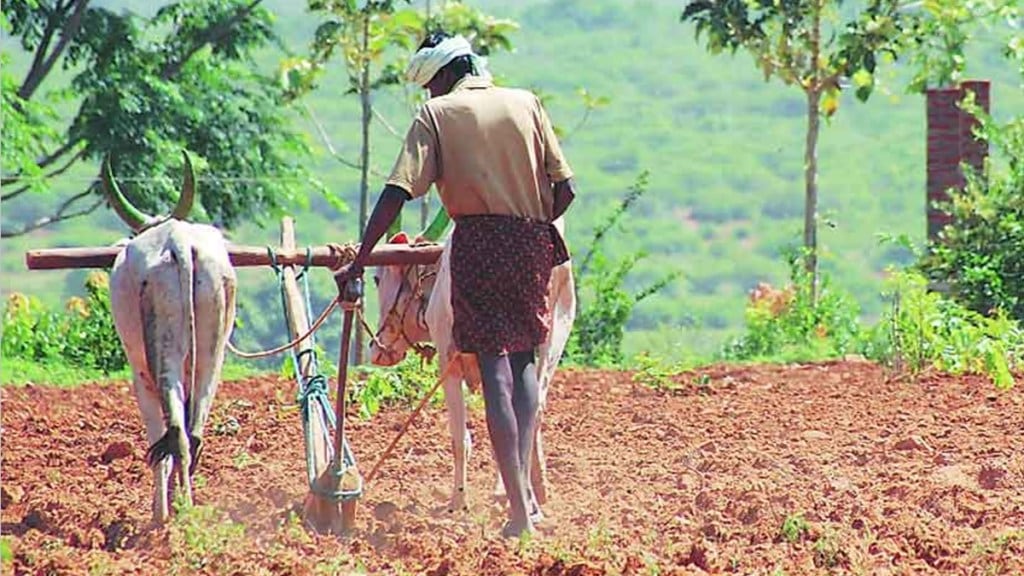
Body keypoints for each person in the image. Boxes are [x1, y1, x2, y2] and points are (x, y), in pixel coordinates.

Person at [332, 31, 577, 538]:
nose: (428, 96)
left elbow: (398, 191)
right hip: (534, 241)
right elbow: (567, 188)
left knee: (494, 374)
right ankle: (525, 500)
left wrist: (362, 255)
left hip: (478, 246)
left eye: (429, 86)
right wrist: (531, 226)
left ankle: (516, 514)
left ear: (443, 75)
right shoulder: (527, 103)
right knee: (525, 364)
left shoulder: (438, 115)